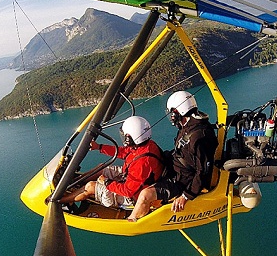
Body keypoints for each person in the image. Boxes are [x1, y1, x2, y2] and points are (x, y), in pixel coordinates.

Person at [128, 91, 218, 221]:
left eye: (172, 112)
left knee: (145, 195)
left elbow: (203, 171)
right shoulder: (189, 126)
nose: (171, 116)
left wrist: (186, 196)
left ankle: (133, 220)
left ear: (179, 111)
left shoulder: (198, 137)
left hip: (182, 181)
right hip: (175, 171)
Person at [59, 116, 165, 209]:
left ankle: (60, 200)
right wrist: (99, 147)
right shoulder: (146, 145)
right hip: (129, 177)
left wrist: (106, 182)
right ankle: (73, 183)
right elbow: (124, 152)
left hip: (131, 196)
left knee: (90, 186)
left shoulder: (142, 163)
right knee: (101, 168)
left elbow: (128, 191)